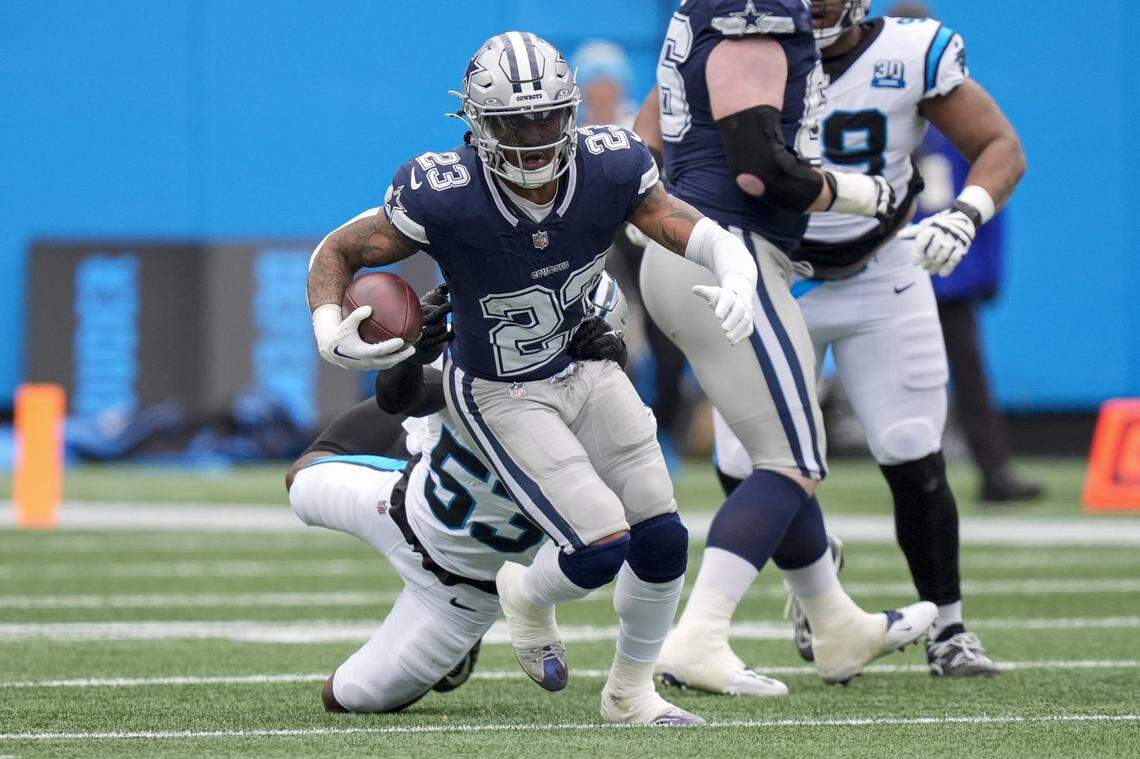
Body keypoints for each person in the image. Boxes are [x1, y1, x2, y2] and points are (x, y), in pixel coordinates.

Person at [305, 32, 765, 726]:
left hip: (576, 370)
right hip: (498, 388)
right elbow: (339, 249)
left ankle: (630, 693)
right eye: (513, 122)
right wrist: (327, 326)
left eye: (547, 116)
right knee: (601, 542)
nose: (533, 136)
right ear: (476, 125)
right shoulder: (445, 194)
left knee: (663, 534)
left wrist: (732, 261)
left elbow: (669, 217)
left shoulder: (610, 166)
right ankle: (524, 594)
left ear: (572, 110)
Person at [715, 0, 1025, 676]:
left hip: (880, 269)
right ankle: (821, 592)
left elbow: (1001, 146)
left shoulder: (912, 51)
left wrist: (968, 213)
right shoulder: (736, 42)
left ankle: (948, 627)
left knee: (911, 450)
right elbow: (653, 138)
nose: (816, 4)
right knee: (740, 465)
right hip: (771, 272)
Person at [633, 0, 934, 696]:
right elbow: (757, 168)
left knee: (784, 450)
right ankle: (700, 633)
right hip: (727, 253)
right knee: (792, 458)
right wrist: (858, 193)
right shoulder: (754, 13)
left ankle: (834, 622)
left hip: (706, 251)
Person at [288, 280, 631, 714]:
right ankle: (415, 447)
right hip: (403, 505)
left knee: (345, 697)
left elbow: (624, 533)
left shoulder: (619, 429)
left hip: (465, 594)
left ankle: (470, 639)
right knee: (300, 484)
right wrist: (413, 351)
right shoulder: (480, 381)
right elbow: (401, 395)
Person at [918, 127, 1044, 503]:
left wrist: (988, 272)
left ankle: (993, 472)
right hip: (899, 278)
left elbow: (990, 206)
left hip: (949, 281)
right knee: (908, 383)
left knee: (970, 379)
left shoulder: (957, 137)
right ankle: (917, 476)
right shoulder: (889, 130)